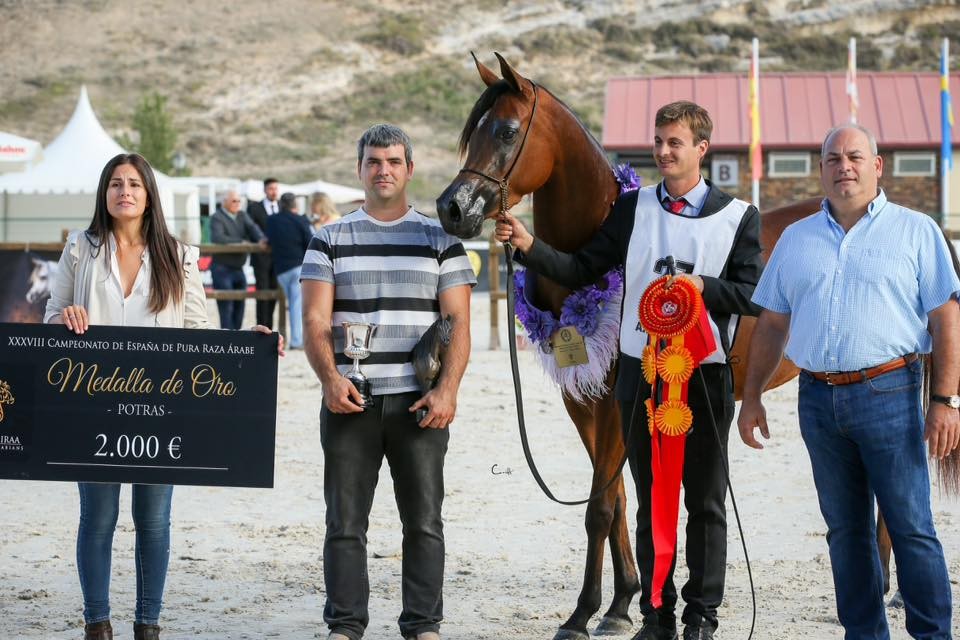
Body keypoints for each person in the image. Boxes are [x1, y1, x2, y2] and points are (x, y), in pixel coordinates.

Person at [495, 101, 763, 640]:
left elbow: (751, 294)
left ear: (701, 149)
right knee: (650, 500)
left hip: (704, 373)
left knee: (705, 503)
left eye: (675, 143)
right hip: (640, 373)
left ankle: (701, 617)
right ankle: (655, 615)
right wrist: (528, 247)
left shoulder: (740, 216)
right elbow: (581, 267)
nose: (663, 151)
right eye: (658, 141)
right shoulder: (631, 207)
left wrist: (701, 288)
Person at [43, 153, 283, 640]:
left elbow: (199, 331)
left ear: (149, 195)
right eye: (115, 183)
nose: (124, 192)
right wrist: (65, 317)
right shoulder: (80, 248)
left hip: (161, 408)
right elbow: (51, 317)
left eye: (134, 184)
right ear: (104, 193)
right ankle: (97, 624)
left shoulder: (179, 254)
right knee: (98, 517)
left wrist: (247, 343)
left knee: (154, 519)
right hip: (94, 404)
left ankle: (147, 624)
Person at [737, 124, 959, 639]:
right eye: (833, 159)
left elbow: (946, 317)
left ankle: (933, 635)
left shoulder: (916, 230)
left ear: (877, 166)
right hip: (817, 399)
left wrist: (945, 400)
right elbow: (772, 323)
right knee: (845, 532)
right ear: (822, 169)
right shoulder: (796, 240)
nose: (845, 167)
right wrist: (751, 396)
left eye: (855, 157)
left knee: (911, 527)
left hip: (890, 394)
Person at [301, 124, 476, 640]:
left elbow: (459, 322)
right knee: (344, 523)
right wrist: (330, 380)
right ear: (359, 169)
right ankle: (345, 625)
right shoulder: (329, 238)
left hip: (419, 403)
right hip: (350, 399)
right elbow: (315, 319)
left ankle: (423, 625)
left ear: (410, 169)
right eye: (374, 161)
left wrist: (447, 390)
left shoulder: (441, 240)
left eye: (394, 161)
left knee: (424, 522)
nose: (384, 170)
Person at [209, 189, 267, 330]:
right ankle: (227, 337)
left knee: (240, 306)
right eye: (234, 201)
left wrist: (262, 239)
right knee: (226, 307)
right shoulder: (216, 217)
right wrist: (241, 242)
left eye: (239, 201)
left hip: (238, 268)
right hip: (221, 268)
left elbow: (253, 228)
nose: (237, 204)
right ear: (225, 202)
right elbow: (218, 238)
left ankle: (236, 336)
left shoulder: (242, 215)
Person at [266, 192, 313, 349]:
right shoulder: (300, 220)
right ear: (295, 205)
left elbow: (268, 239)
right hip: (298, 266)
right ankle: (296, 341)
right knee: (296, 305)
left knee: (291, 304)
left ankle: (293, 338)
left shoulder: (271, 220)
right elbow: (310, 242)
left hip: (280, 270)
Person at [247, 178, 281, 328]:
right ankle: (261, 328)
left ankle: (270, 328)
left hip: (278, 259)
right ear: (265, 190)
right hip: (260, 258)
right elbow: (250, 229)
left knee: (274, 293)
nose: (274, 192)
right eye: (271, 189)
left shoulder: (282, 206)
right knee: (262, 294)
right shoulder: (254, 208)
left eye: (275, 189)